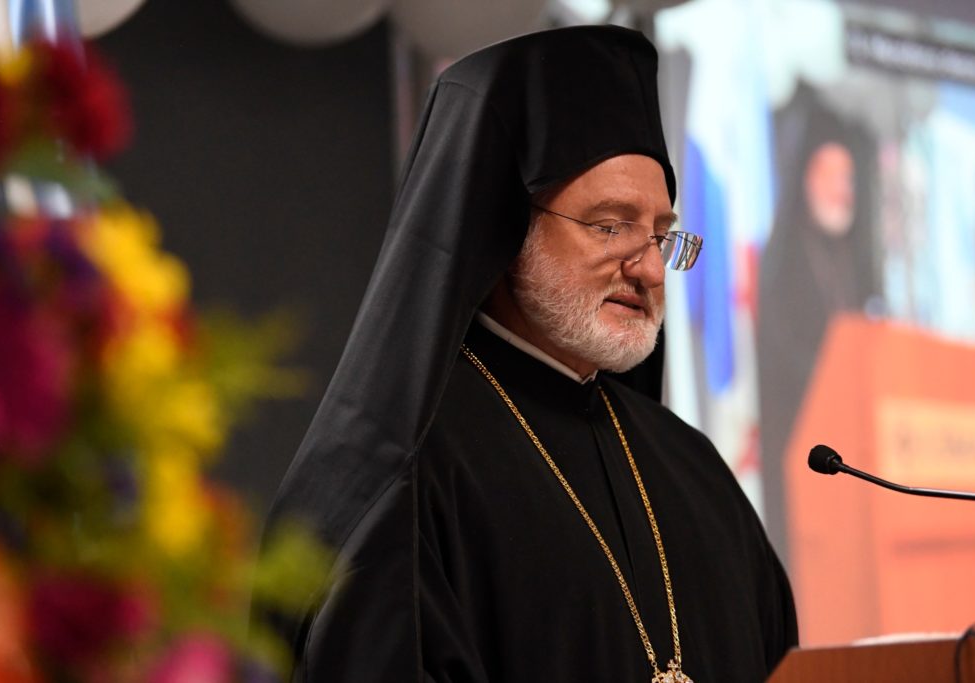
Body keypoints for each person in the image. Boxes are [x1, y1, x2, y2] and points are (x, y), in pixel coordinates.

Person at [262, 25, 797, 683]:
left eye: (661, 234)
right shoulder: (406, 476)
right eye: (610, 226)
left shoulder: (696, 470)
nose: (652, 270)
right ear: (503, 220)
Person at [756, 94, 880, 561]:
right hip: (804, 444)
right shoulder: (785, 260)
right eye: (832, 177)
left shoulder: (851, 261)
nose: (843, 190)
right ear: (806, 181)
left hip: (850, 441)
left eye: (848, 179)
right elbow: (782, 351)